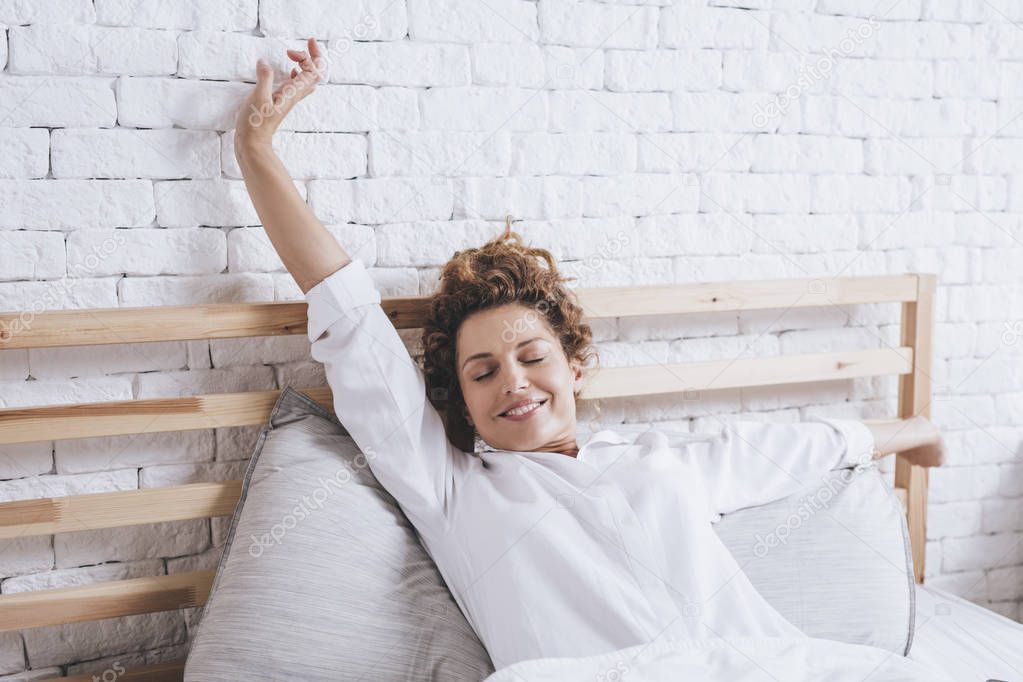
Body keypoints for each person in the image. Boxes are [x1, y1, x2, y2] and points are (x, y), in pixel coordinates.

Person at [234, 38, 947, 672]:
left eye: (531, 356)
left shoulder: (663, 464)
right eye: (482, 372)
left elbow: (789, 448)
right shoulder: (451, 487)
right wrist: (257, 152)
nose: (512, 381)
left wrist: (913, 432)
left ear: (574, 366)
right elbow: (352, 319)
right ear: (459, 399)